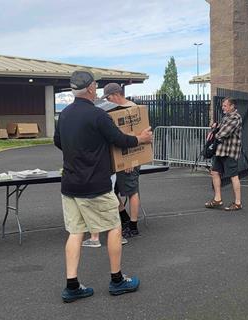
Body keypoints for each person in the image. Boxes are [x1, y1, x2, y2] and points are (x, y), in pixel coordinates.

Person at [54, 70, 152, 303]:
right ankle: (117, 280)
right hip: (95, 184)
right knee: (114, 226)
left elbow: (59, 142)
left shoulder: (64, 115)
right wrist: (141, 139)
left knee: (75, 232)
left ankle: (72, 285)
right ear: (90, 89)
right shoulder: (98, 115)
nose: (96, 88)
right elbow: (120, 140)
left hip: (70, 185)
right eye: (95, 85)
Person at [101, 83, 141, 238]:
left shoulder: (131, 109)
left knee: (131, 191)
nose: (108, 101)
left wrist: (131, 160)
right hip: (117, 158)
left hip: (130, 158)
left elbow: (137, 135)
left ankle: (133, 225)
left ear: (116, 95)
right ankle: (124, 218)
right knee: (110, 191)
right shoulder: (115, 110)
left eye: (109, 98)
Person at [205, 97, 243, 211]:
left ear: (232, 106)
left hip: (230, 152)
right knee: (215, 172)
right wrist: (215, 128)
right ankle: (217, 199)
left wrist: (215, 131)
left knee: (233, 176)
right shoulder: (226, 117)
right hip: (220, 151)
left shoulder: (236, 118)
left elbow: (222, 133)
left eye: (225, 106)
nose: (223, 108)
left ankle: (238, 203)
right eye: (222, 106)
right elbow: (218, 130)